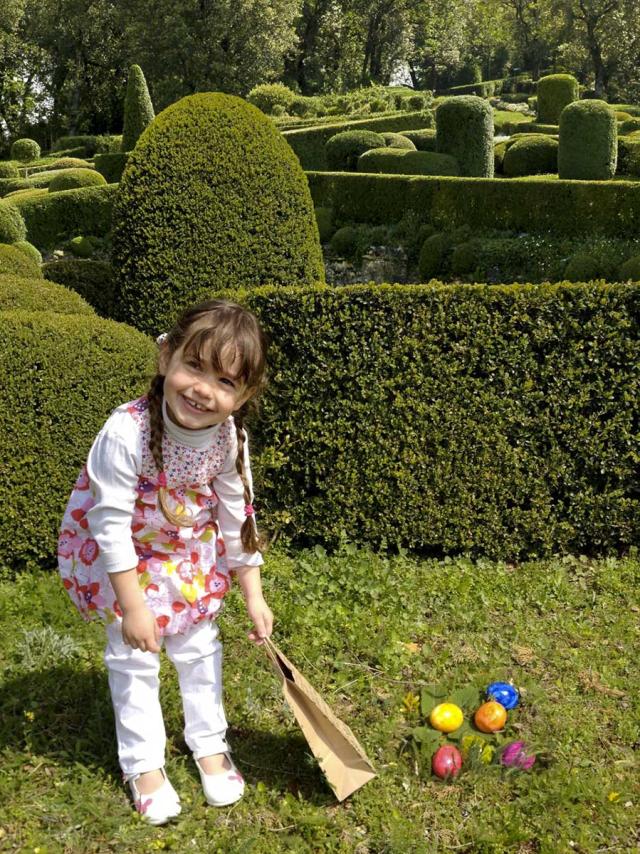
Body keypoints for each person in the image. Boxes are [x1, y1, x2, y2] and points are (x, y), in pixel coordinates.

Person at [57, 299, 273, 825]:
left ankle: (209, 744)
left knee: (199, 651)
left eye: (224, 380)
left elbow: (233, 515)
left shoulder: (229, 438)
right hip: (125, 565)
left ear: (244, 395)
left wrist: (253, 592)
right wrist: (132, 606)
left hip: (187, 561)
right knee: (134, 661)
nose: (203, 388)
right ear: (165, 356)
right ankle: (143, 764)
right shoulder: (125, 432)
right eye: (193, 366)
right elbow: (108, 525)